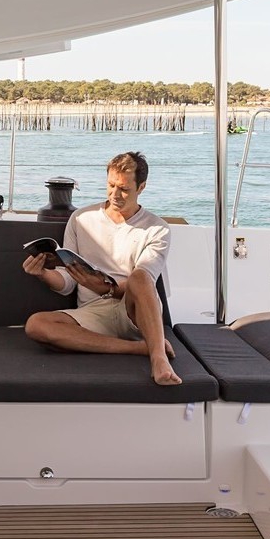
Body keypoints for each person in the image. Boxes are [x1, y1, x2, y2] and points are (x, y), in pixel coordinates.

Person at [23, 152, 181, 386]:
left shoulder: (157, 229)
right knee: (36, 325)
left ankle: (158, 358)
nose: (115, 194)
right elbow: (68, 282)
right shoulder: (81, 219)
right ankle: (139, 348)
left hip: (133, 311)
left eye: (124, 189)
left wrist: (106, 289)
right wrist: (44, 274)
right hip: (93, 313)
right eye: (111, 185)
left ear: (141, 187)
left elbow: (144, 282)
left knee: (140, 276)